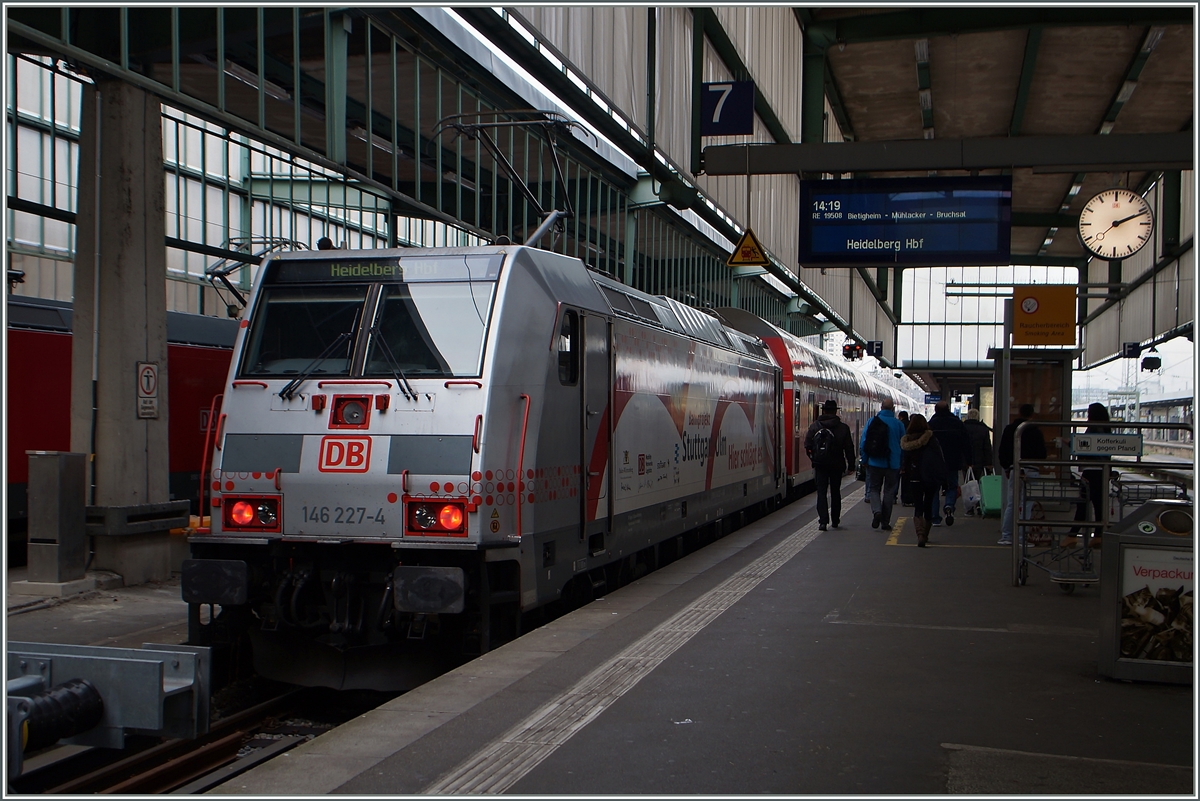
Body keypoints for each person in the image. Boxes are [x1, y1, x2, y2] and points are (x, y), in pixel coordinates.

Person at [997, 403, 1047, 546]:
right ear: (1032, 414)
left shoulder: (1010, 429)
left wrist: (1007, 467)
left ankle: (1006, 536)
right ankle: (1021, 537)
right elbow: (1042, 454)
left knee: (1012, 503)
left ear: (1019, 412)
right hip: (1031, 469)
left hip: (1015, 469)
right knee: (1027, 503)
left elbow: (1003, 451)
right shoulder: (1035, 431)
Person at [804, 399, 857, 531]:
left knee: (821, 493)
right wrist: (851, 465)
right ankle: (835, 519)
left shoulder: (815, 426)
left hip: (820, 465)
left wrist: (814, 459)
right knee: (835, 492)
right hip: (837, 465)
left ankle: (823, 521)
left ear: (824, 411)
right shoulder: (843, 427)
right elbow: (849, 448)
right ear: (835, 412)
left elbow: (807, 445)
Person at [900, 414, 948, 547]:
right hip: (930, 476)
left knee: (918, 506)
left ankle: (919, 534)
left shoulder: (907, 441)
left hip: (914, 477)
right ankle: (925, 534)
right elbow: (939, 458)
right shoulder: (931, 439)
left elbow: (905, 461)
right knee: (928, 504)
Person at [859, 397, 906, 531]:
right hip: (893, 464)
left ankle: (877, 511)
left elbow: (864, 443)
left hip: (875, 462)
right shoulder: (899, 424)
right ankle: (885, 522)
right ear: (893, 409)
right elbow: (904, 445)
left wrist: (865, 459)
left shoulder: (872, 421)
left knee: (874, 489)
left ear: (881, 407)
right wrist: (902, 463)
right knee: (889, 492)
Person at [1071, 402, 1112, 542]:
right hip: (1102, 471)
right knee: (1098, 504)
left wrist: (1071, 443)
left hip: (1091, 470)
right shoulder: (1106, 428)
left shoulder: (1094, 428)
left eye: (1089, 413)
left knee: (1083, 502)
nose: (1087, 415)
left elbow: (1087, 445)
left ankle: (1072, 535)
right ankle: (1098, 535)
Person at [928, 401, 971, 527]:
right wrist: (969, 461)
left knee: (934, 490)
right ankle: (949, 506)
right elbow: (966, 443)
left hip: (935, 463)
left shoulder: (931, 424)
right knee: (952, 486)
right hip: (953, 461)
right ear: (948, 409)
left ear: (935, 410)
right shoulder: (957, 423)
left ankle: (935, 518)